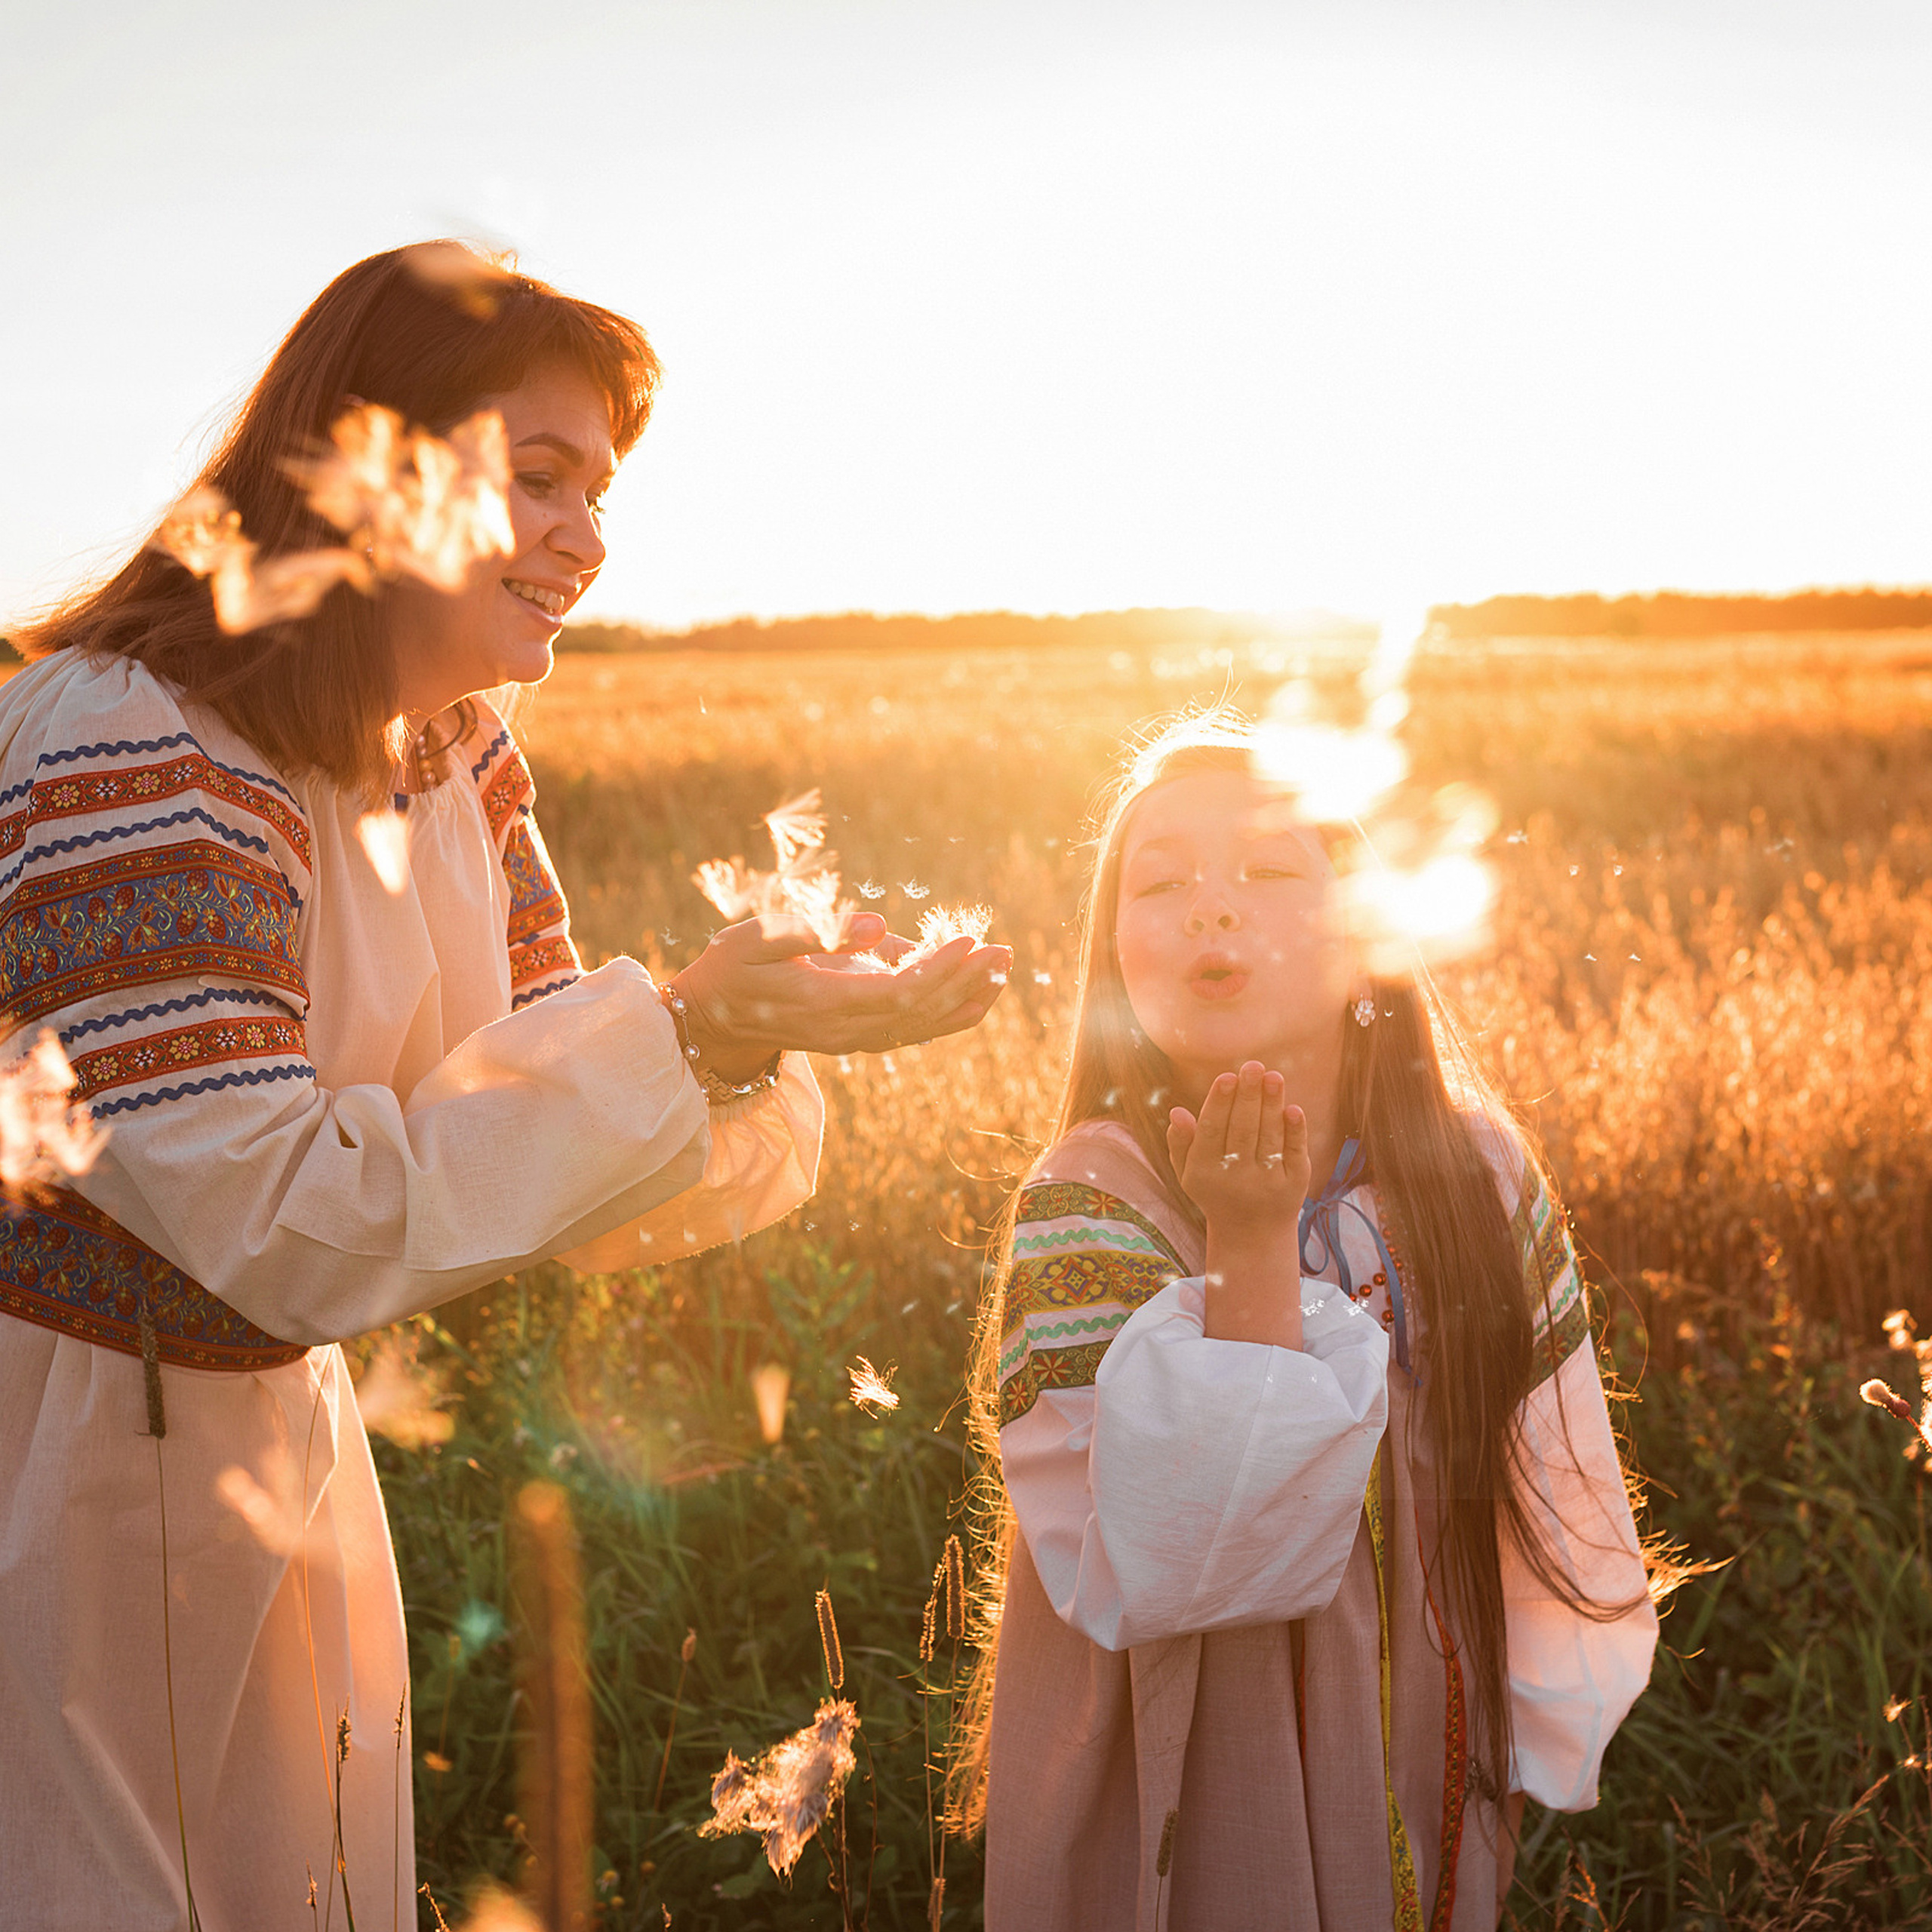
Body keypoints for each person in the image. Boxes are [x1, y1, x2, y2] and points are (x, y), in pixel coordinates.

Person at [0, 242, 1009, 1930]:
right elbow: (273, 1218)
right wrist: (679, 1036)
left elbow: (549, 1143)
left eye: (596, 493)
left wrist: (753, 1035)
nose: (586, 539)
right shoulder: (128, 735)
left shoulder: (447, 749)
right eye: (537, 478)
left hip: (273, 1443)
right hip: (68, 1460)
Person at [953, 716, 1657, 1930]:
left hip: (1428, 1726)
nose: (1210, 910)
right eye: (1159, 882)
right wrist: (1249, 1239)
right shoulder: (1092, 1200)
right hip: (1180, 1756)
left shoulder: (1473, 1178)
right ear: (1115, 953)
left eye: (1272, 871)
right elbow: (1191, 1555)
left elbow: (1560, 1472)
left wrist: (1541, 1715)